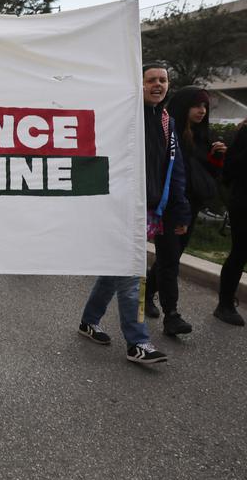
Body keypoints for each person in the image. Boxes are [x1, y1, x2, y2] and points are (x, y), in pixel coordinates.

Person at [76, 63, 189, 365]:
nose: (157, 84)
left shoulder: (167, 121)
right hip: (121, 207)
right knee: (131, 274)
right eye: (151, 79)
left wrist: (180, 211)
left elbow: (174, 171)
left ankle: (89, 321)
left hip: (150, 210)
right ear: (138, 85)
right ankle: (137, 343)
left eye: (163, 80)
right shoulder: (126, 117)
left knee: (116, 271)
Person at [146, 86, 224, 325]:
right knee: (170, 260)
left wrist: (216, 159)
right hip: (170, 207)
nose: (201, 111)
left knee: (171, 256)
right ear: (183, 106)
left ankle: (146, 293)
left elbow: (203, 177)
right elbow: (174, 174)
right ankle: (172, 315)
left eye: (205, 107)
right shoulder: (168, 132)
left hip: (190, 208)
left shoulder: (202, 136)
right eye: (196, 106)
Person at [216, 117, 247, 326]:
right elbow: (228, 170)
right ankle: (224, 304)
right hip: (243, 202)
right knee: (241, 251)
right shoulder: (245, 132)